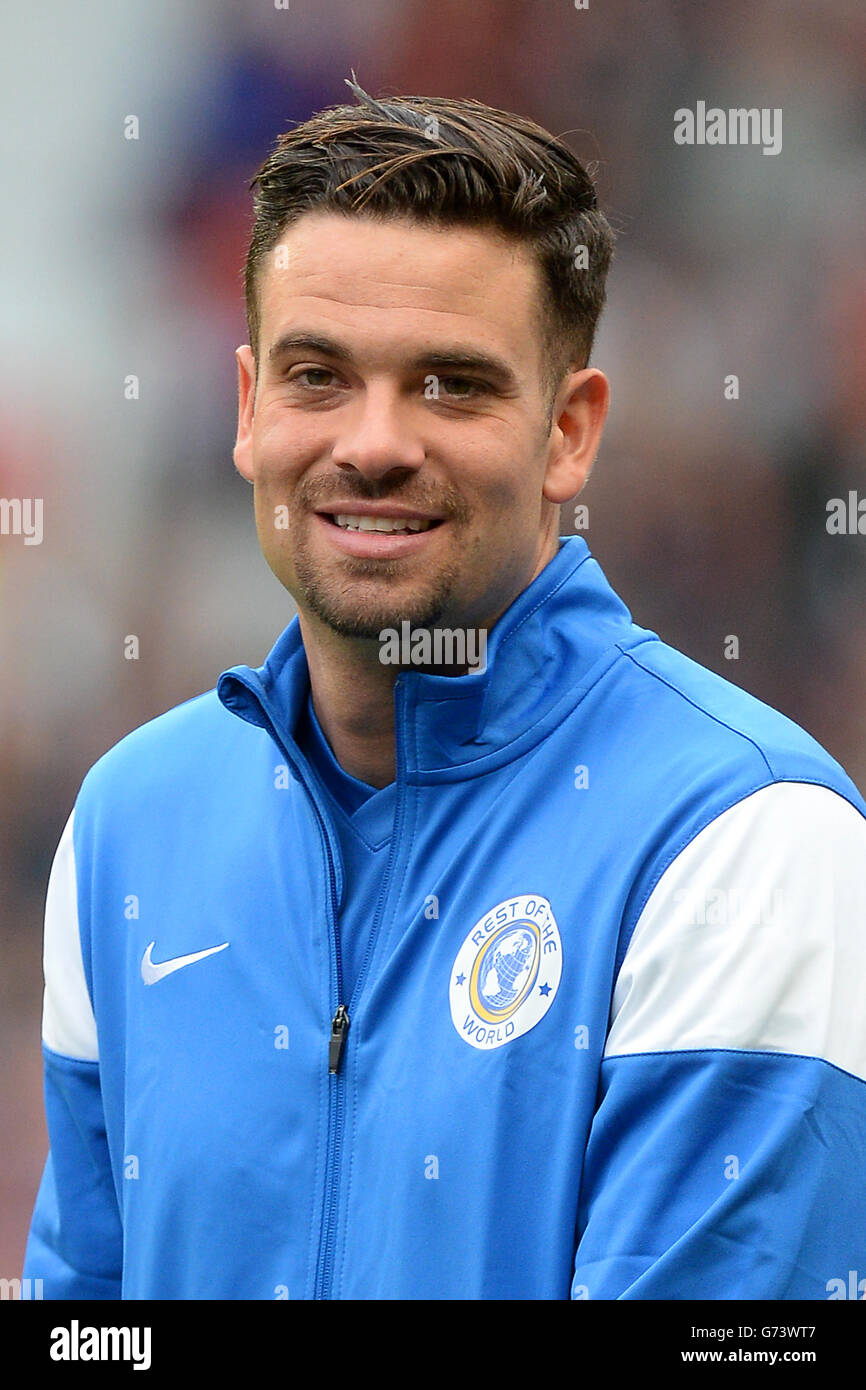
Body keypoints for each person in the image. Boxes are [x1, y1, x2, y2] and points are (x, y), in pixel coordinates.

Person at [24, 77, 866, 1301]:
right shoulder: (127, 828)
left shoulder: (746, 837)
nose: (372, 441)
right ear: (249, 409)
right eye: (318, 375)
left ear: (569, 431)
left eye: (451, 384)